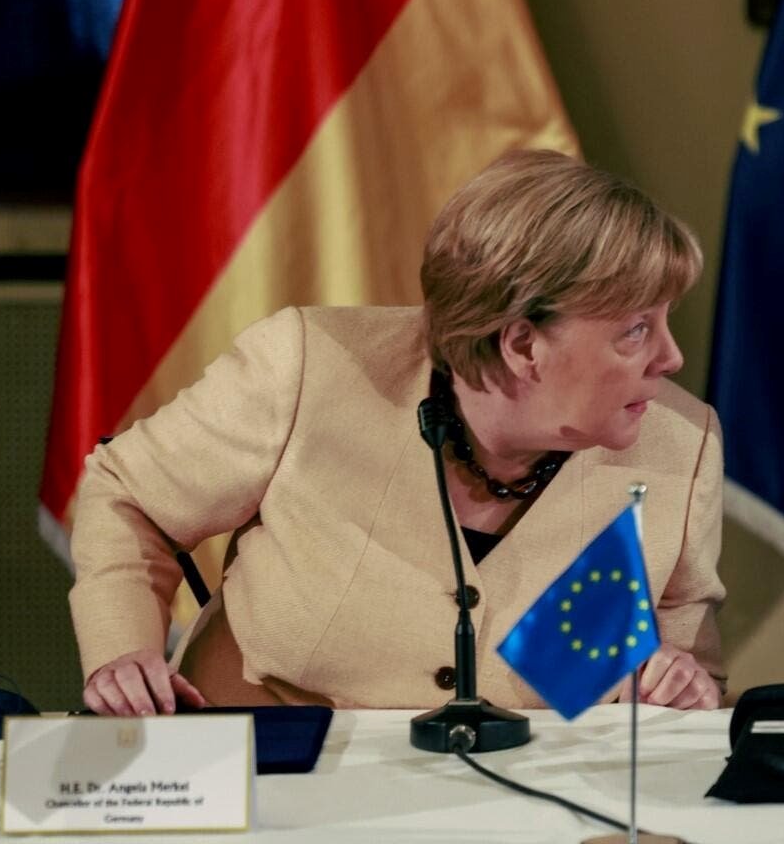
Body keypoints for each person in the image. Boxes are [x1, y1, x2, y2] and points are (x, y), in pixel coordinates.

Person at [71, 150, 726, 715]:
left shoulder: (681, 443)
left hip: (520, 807)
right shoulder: (307, 368)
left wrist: (675, 691)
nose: (670, 358)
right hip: (268, 781)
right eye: (636, 330)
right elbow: (129, 500)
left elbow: (685, 668)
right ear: (523, 343)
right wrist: (124, 654)